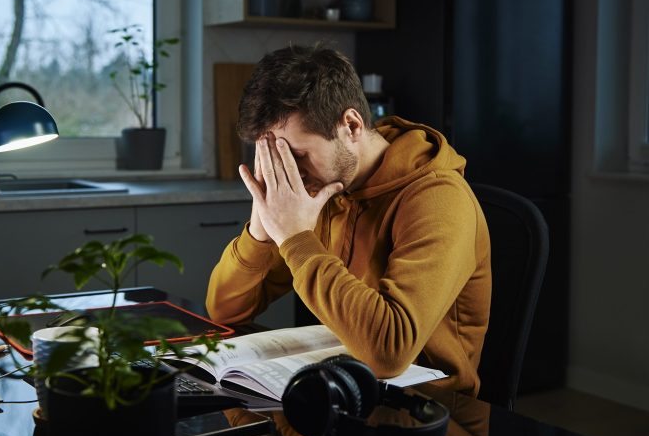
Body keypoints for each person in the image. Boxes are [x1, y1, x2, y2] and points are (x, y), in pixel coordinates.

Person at [205, 44, 491, 396]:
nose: (290, 174)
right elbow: (224, 310)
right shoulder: (321, 189)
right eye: (276, 157)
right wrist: (262, 229)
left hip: (429, 411)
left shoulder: (439, 199)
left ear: (351, 125)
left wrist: (296, 239)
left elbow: (389, 351)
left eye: (296, 155)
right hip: (343, 392)